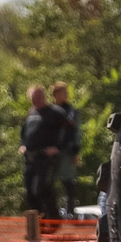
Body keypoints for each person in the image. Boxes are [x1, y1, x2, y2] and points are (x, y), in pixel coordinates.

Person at [19, 84, 69, 220]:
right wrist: (23, 145)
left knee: (41, 189)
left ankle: (53, 219)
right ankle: (38, 225)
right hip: (30, 159)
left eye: (39, 96)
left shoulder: (56, 113)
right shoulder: (31, 113)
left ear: (45, 96)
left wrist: (58, 147)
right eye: (34, 97)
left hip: (46, 159)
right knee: (30, 193)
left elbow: (69, 132)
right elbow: (24, 133)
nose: (37, 100)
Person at [49, 82, 81, 218]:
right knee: (49, 183)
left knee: (68, 183)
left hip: (67, 151)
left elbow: (76, 132)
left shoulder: (71, 111)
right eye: (63, 92)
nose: (66, 95)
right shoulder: (49, 111)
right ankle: (51, 212)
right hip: (50, 152)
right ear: (56, 94)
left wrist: (75, 151)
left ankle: (70, 211)